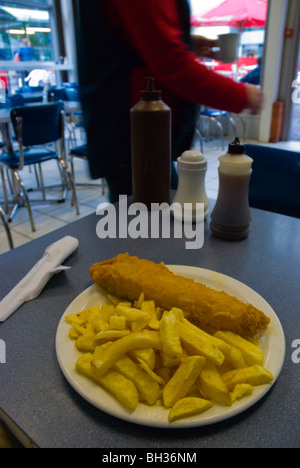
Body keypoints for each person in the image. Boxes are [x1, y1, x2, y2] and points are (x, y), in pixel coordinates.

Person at [75, 0, 263, 203]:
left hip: (136, 130)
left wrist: (185, 42)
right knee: (148, 220)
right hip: (134, 131)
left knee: (150, 217)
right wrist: (243, 95)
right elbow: (171, 63)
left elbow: (141, 40)